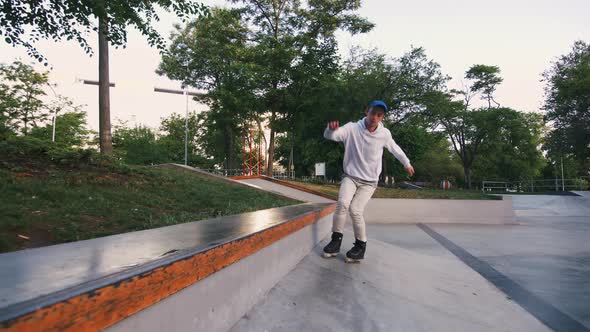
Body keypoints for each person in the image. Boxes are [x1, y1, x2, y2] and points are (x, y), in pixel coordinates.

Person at [322, 100, 415, 263]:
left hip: (369, 182)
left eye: (379, 115)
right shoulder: (352, 128)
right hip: (350, 177)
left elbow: (395, 148)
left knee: (356, 210)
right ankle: (335, 241)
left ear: (382, 117)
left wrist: (407, 163)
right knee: (342, 203)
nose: (374, 117)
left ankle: (360, 246)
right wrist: (330, 130)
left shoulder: (384, 134)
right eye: (373, 113)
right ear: (367, 111)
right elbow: (332, 136)